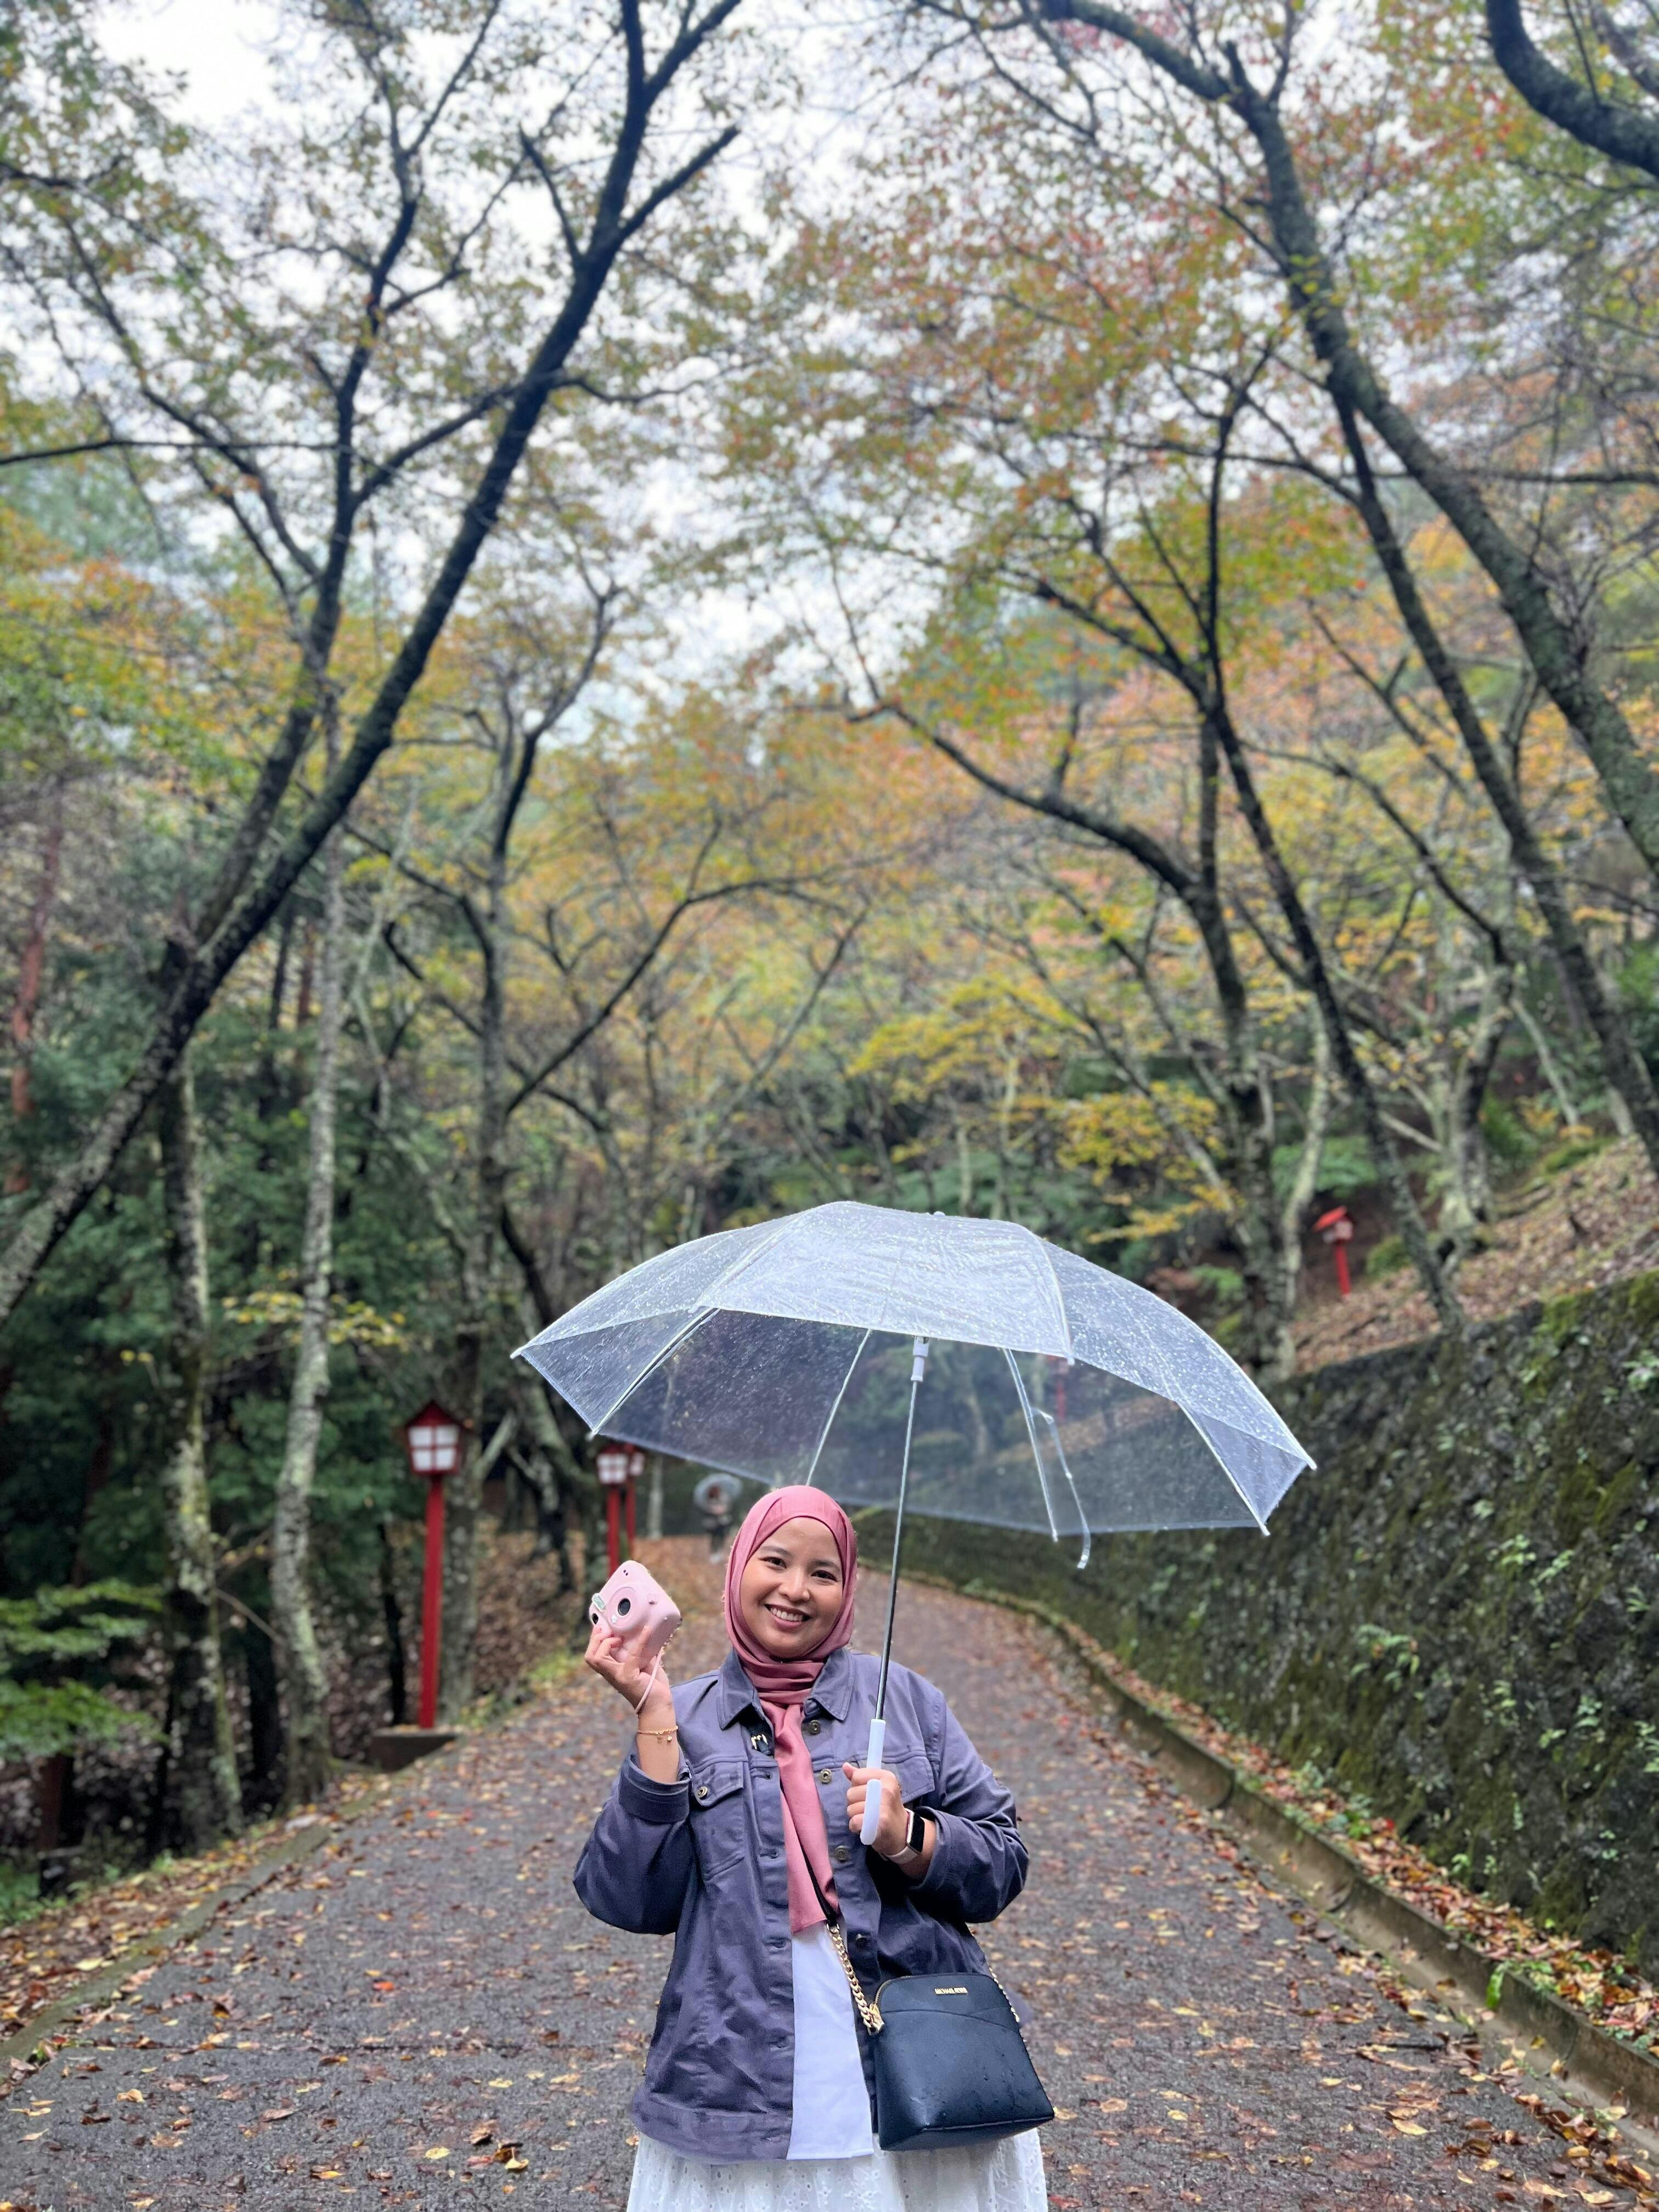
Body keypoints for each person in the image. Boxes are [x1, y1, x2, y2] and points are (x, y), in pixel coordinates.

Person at [575, 1485, 1048, 2212]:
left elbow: (1003, 1861)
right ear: (739, 1567)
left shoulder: (907, 1702)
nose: (795, 1590)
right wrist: (654, 1717)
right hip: (737, 2069)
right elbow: (628, 1899)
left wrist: (910, 1837)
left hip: (915, 2057)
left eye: (823, 1573)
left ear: (847, 1587)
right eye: (775, 1562)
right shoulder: (686, 1715)